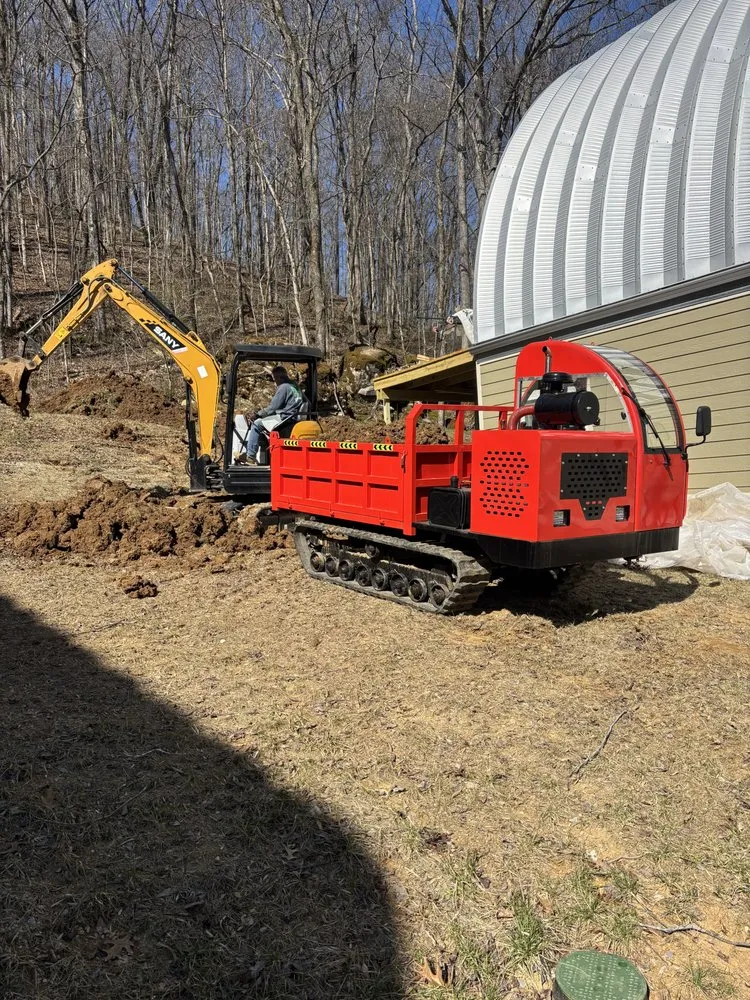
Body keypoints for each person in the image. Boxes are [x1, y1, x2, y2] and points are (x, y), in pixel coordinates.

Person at [243, 366, 307, 463]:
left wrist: (258, 414)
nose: (275, 382)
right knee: (265, 421)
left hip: (285, 418)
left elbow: (273, 408)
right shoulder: (295, 385)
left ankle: (250, 456)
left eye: (275, 379)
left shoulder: (283, 387)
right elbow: (306, 402)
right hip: (294, 416)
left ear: (279, 377)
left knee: (257, 424)